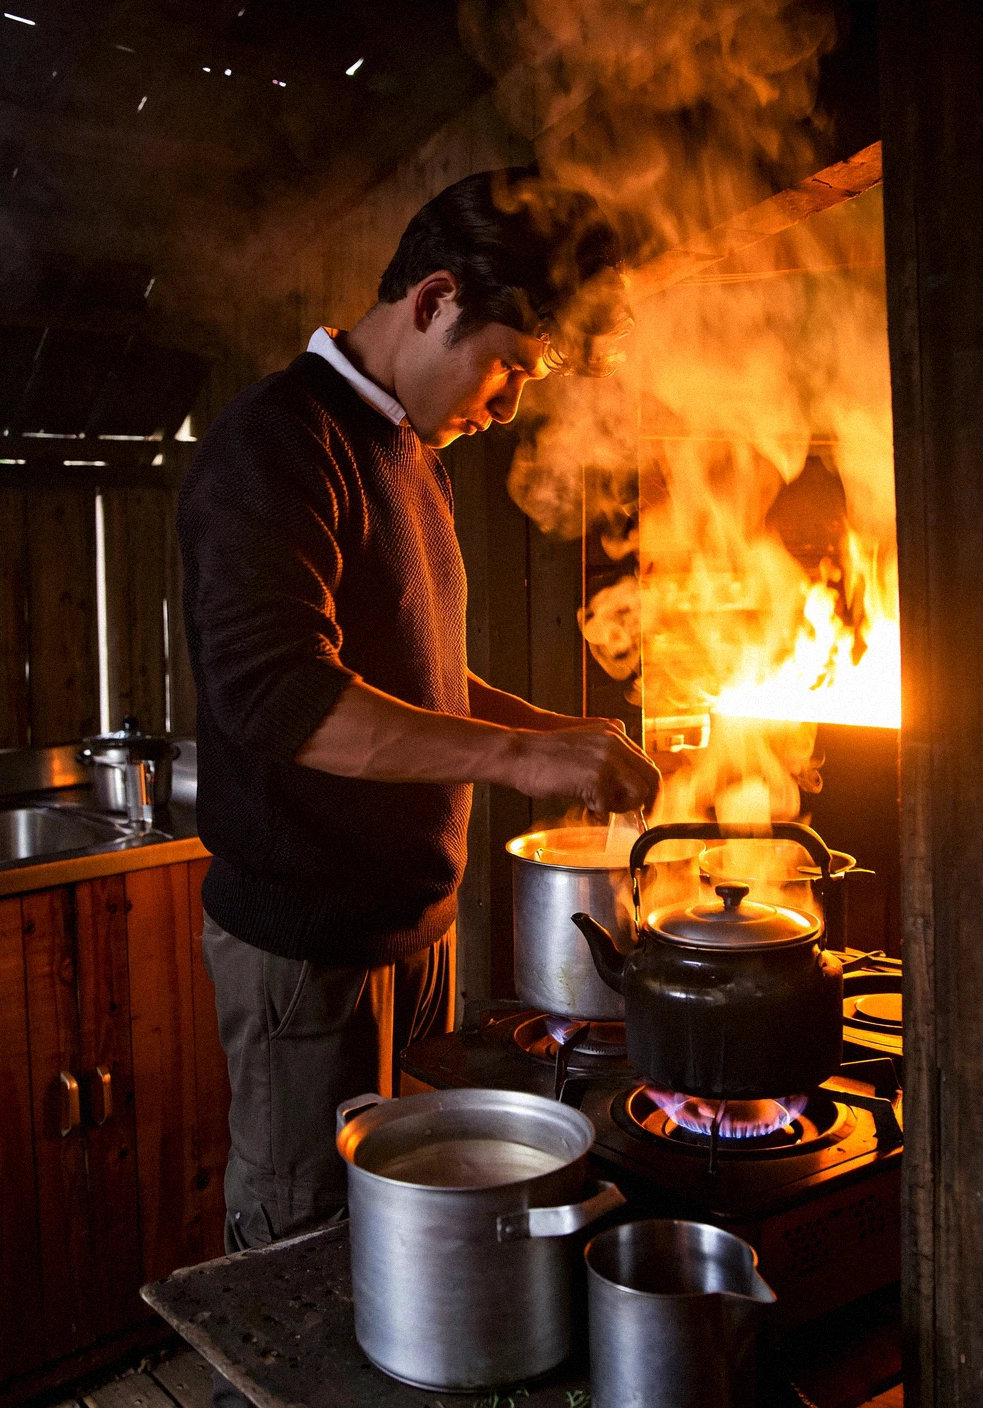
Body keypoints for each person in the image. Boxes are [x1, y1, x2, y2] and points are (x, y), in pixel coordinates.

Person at [178, 166, 659, 1404]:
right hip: (305, 954)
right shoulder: (274, 447)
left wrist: (547, 724)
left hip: (409, 940)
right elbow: (285, 699)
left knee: (406, 1265)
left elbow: (423, 674)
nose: (506, 406)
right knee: (302, 1267)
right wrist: (516, 758)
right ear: (434, 299)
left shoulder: (408, 450)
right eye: (507, 367)